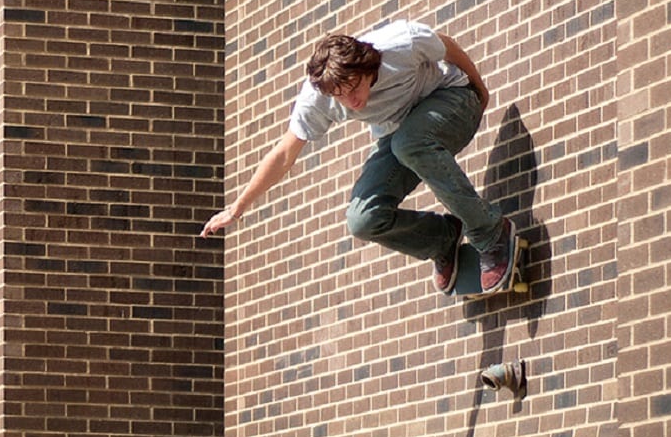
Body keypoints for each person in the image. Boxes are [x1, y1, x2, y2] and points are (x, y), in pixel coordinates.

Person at [200, 19, 513, 294]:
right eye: (339, 96)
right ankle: (441, 239)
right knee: (363, 219)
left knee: (408, 144)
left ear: (367, 67)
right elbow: (284, 154)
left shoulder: (400, 43)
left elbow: (446, 47)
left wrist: (479, 90)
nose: (350, 101)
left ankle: (489, 231)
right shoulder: (320, 98)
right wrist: (237, 208)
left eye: (353, 88)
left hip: (452, 101)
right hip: (400, 135)